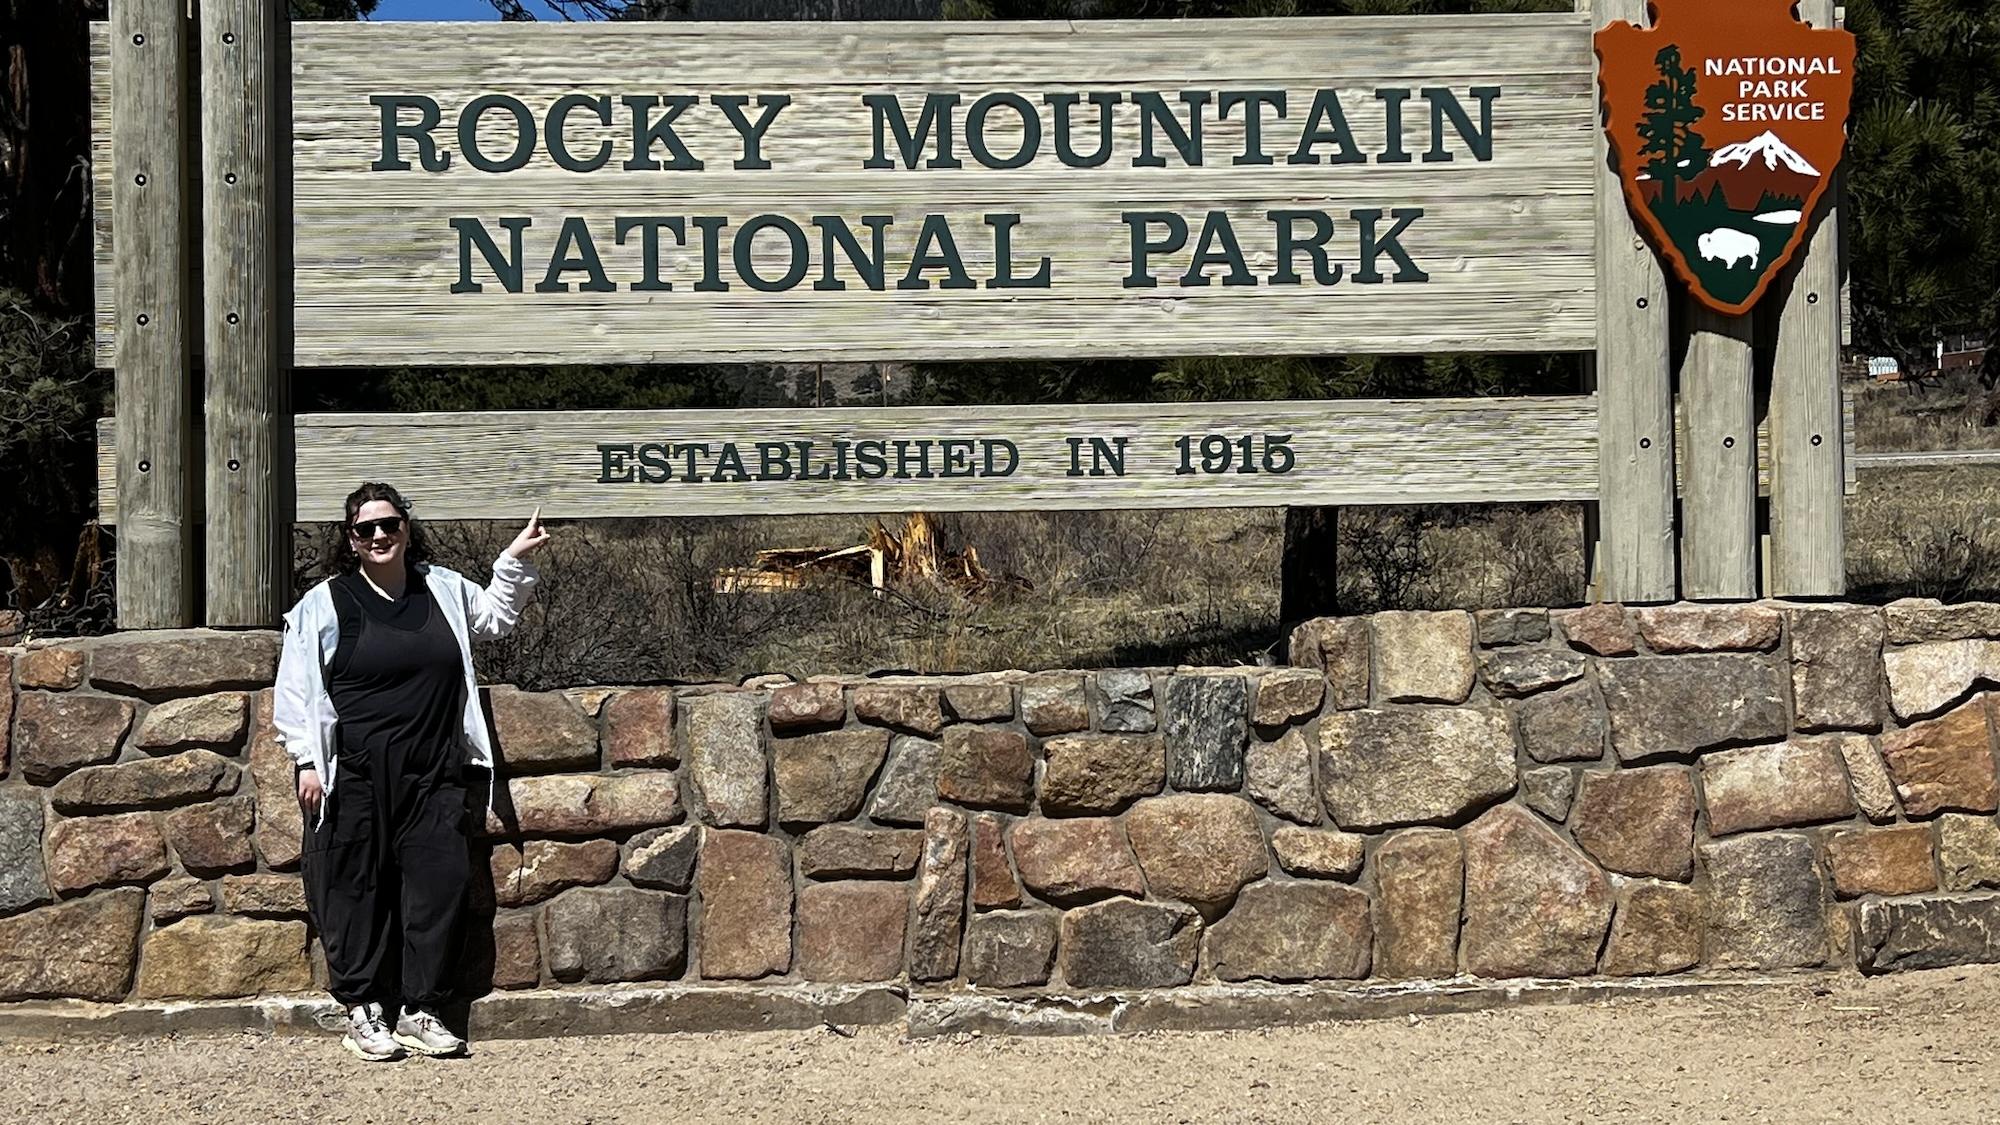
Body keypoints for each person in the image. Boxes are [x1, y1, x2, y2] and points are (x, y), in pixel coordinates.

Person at [274, 482, 550, 1062]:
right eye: (365, 529)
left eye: (389, 525)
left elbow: (495, 619)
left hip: (433, 770)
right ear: (350, 540)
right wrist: (305, 758)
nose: (379, 536)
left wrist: (511, 562)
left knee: (437, 885)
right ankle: (364, 1009)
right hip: (352, 771)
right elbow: (297, 690)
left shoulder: (442, 588)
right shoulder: (325, 604)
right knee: (353, 888)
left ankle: (420, 1009)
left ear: (406, 527)